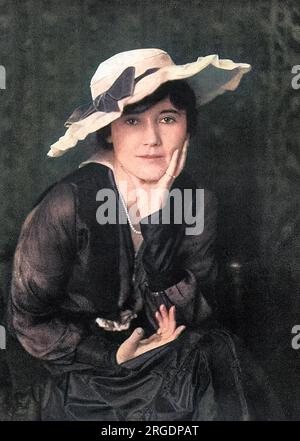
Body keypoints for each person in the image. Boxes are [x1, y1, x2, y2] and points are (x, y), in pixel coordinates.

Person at [7, 49, 282, 420]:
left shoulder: (198, 202)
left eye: (167, 118)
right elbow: (28, 319)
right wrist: (110, 355)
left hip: (165, 357)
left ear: (188, 126)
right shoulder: (67, 204)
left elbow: (194, 315)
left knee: (210, 356)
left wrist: (159, 245)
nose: (152, 138)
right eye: (133, 121)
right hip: (85, 368)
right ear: (108, 131)